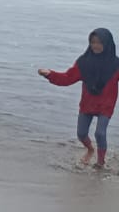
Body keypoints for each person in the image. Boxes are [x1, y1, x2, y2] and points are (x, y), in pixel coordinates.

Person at [39, 28, 119, 169]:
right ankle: (90, 149)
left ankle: (100, 163)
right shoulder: (83, 62)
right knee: (81, 134)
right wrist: (50, 74)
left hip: (106, 105)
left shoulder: (116, 64)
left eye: (99, 42)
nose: (95, 45)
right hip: (88, 103)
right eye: (93, 42)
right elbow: (67, 78)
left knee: (100, 133)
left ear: (107, 43)